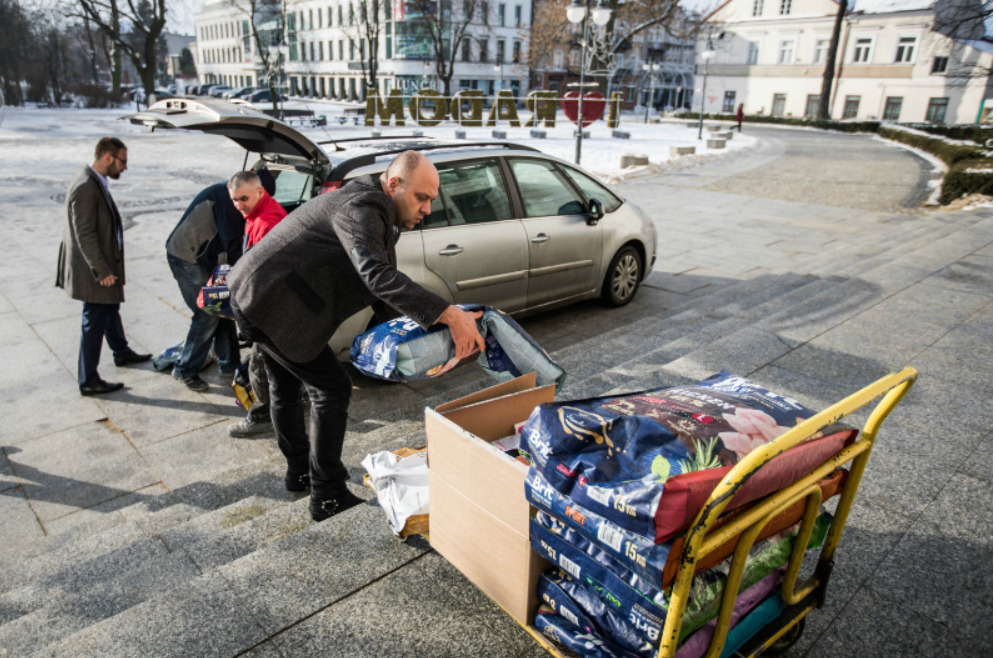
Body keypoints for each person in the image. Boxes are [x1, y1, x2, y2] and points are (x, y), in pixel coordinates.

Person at [229, 151, 484, 522]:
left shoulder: (375, 206)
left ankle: (299, 473)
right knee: (332, 389)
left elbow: (382, 292)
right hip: (269, 302)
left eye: (432, 199)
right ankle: (327, 493)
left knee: (284, 388)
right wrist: (447, 313)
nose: (427, 209)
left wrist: (411, 339)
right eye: (421, 198)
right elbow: (376, 275)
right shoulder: (363, 206)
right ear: (394, 184)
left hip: (267, 296)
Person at [56, 136, 151, 396]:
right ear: (108, 157)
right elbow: (84, 233)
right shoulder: (86, 185)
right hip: (94, 271)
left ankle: (121, 351)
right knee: (94, 320)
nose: (125, 167)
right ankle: (88, 379)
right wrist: (102, 270)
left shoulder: (94, 180)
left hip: (101, 266)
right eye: (123, 161)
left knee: (109, 309)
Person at [165, 181, 246, 392]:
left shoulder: (233, 195)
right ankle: (185, 369)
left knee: (221, 307)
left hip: (203, 257)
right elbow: (232, 244)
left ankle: (229, 365)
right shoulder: (227, 198)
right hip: (186, 257)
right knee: (207, 313)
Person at [226, 170, 287, 438]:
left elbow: (265, 274)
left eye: (243, 198)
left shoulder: (266, 221)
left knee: (259, 365)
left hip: (271, 307)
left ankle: (263, 417)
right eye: (234, 200)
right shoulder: (257, 214)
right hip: (272, 305)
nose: (239, 205)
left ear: (260, 192)